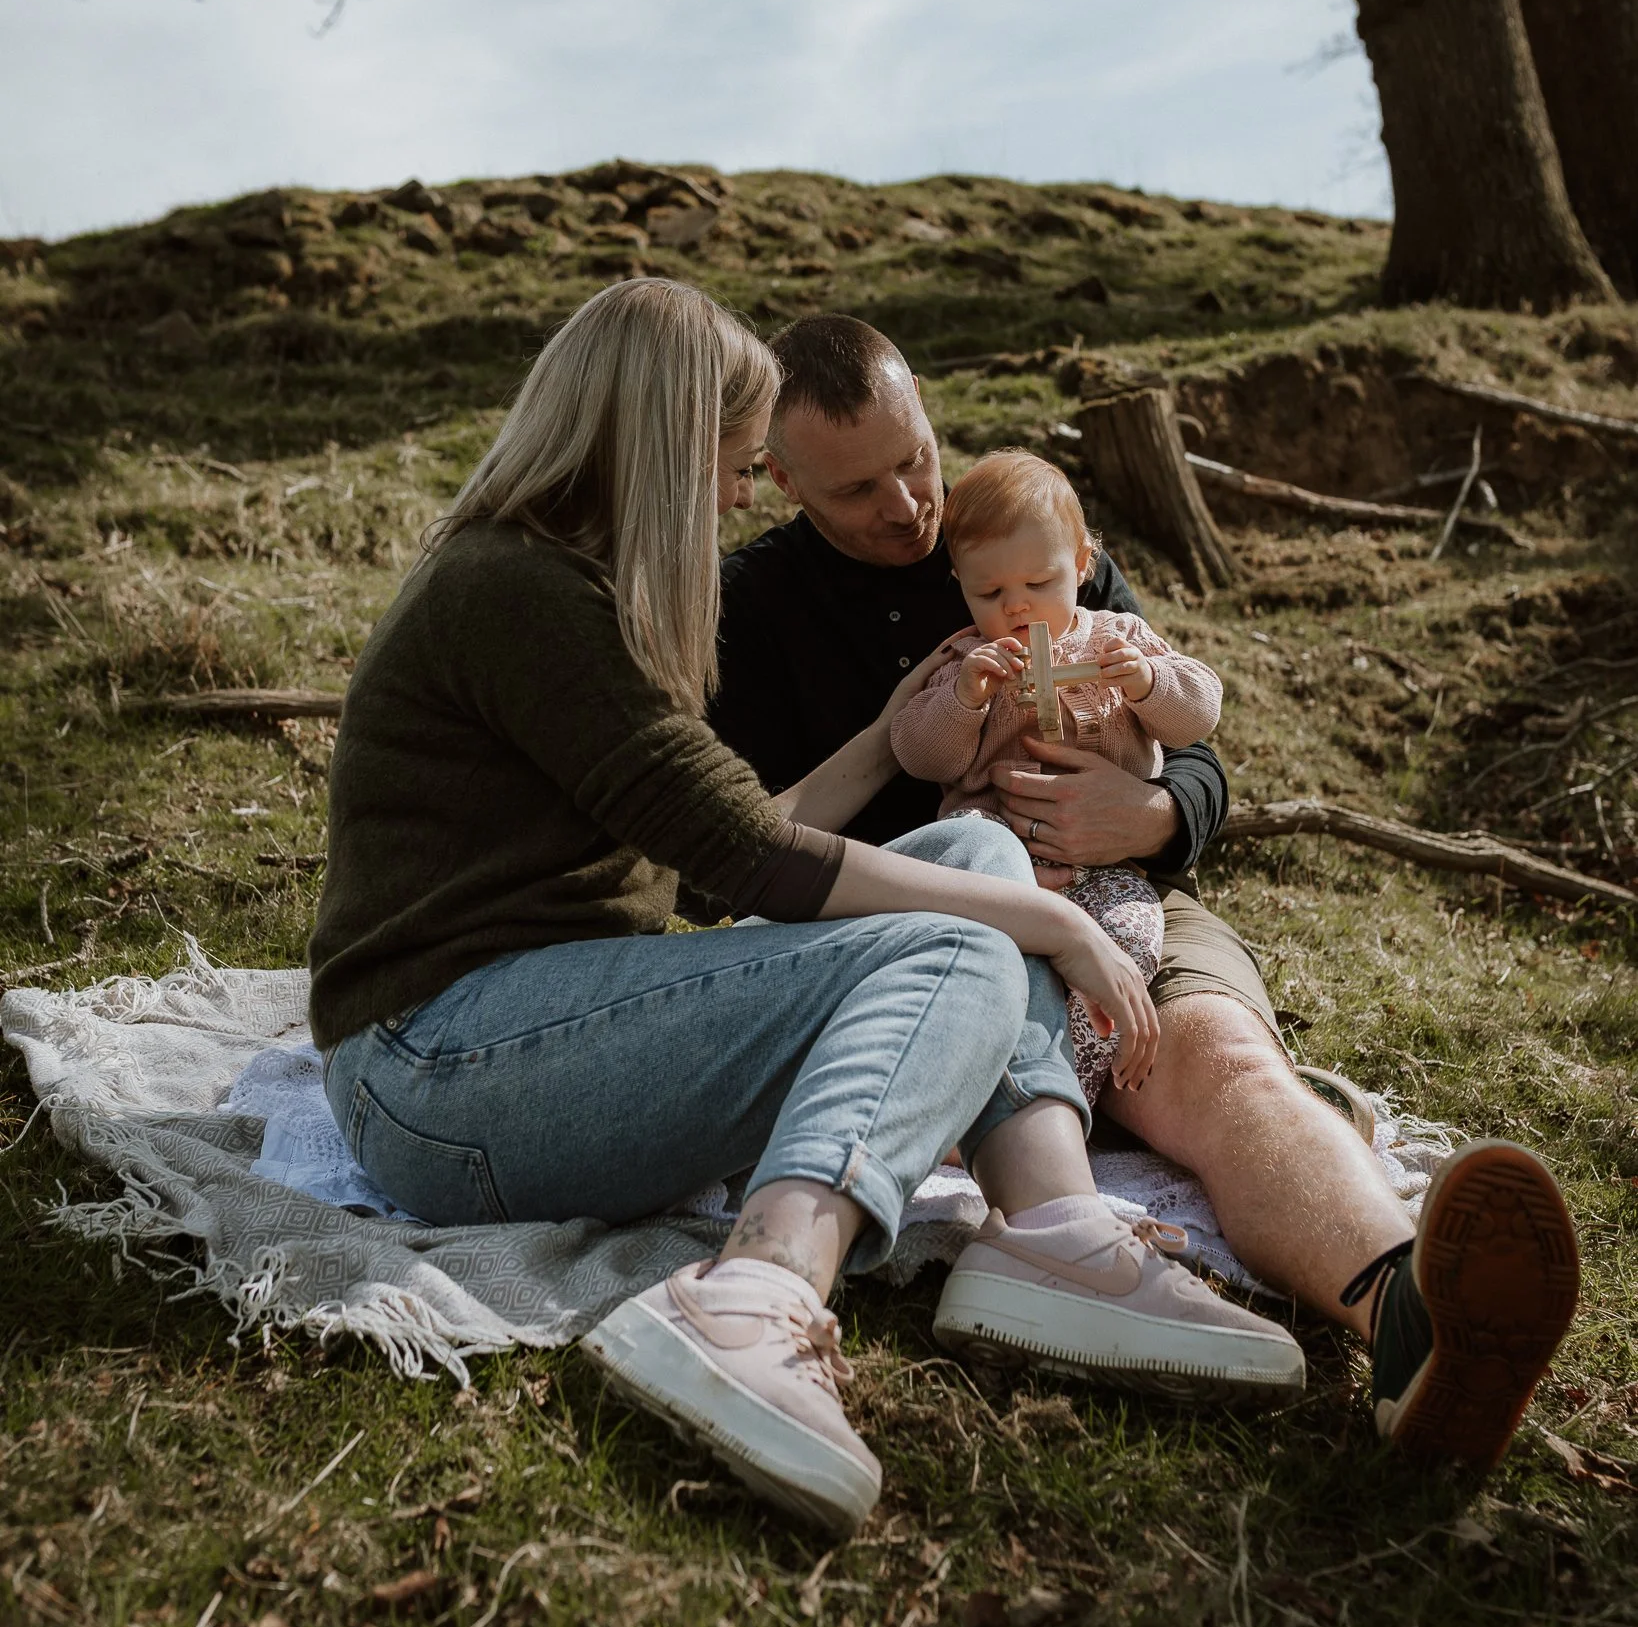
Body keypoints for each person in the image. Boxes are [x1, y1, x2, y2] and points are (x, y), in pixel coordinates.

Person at [308, 278, 1302, 1539]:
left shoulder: (570, 583)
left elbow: (728, 843)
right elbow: (754, 862)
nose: (735, 493)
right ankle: (757, 1291)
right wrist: (1057, 922)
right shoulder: (517, 593)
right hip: (437, 1064)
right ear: (663, 446)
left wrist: (895, 746)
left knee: (976, 858)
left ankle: (1051, 1225)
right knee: (973, 932)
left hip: (527, 1027)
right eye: (730, 463)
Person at [710, 312, 1580, 1472]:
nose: (910, 505)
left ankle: (1411, 1316)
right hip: (914, 933)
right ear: (779, 477)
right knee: (1032, 1063)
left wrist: (1158, 815)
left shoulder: (1026, 524)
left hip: (1124, 896)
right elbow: (732, 851)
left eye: (915, 457)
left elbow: (1200, 746)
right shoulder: (749, 607)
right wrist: (899, 739)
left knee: (1216, 1058)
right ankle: (1079, 1205)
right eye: (861, 488)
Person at [890, 447, 1223, 1104]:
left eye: (1039, 584)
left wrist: (1149, 682)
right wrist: (963, 699)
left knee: (1130, 936)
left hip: (1105, 869)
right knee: (973, 904)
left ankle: (1068, 1083)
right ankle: (973, 1081)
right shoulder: (966, 659)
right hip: (998, 867)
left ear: (1083, 566)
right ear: (959, 582)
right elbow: (919, 754)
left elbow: (1199, 714)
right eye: (990, 593)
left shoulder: (1118, 639)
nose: (1016, 607)